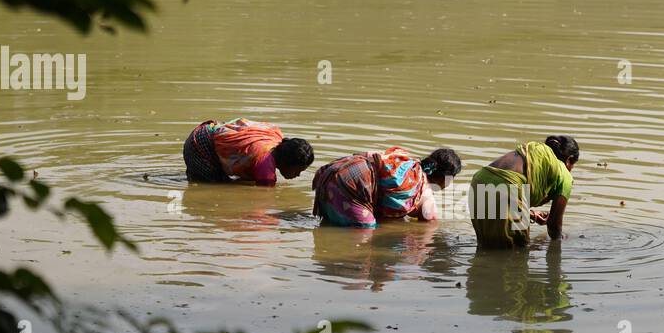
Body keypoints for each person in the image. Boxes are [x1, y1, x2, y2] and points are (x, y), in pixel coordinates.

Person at [469, 135, 578, 248]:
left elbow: (501, 184)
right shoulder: (564, 174)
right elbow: (554, 224)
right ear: (569, 160)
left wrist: (530, 214)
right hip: (508, 186)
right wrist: (558, 243)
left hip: (479, 181)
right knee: (517, 253)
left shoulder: (533, 152)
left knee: (486, 246)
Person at [312, 146, 461, 228]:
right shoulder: (425, 192)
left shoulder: (406, 162)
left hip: (332, 172)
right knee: (367, 237)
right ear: (444, 178)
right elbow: (429, 226)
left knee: (328, 226)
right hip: (349, 186)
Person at [182, 118, 314, 184]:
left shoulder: (275, 135)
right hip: (199, 148)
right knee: (220, 187)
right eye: (298, 171)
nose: (298, 175)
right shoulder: (265, 166)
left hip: (206, 130)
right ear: (286, 162)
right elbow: (264, 197)